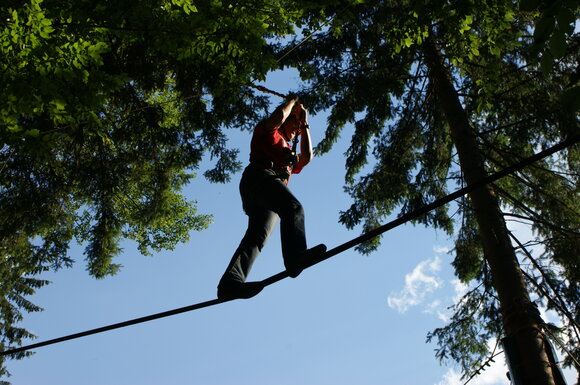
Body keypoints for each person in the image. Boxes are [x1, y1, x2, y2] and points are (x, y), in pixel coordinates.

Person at [217, 96, 327, 300]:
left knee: (257, 237)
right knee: (293, 208)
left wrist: (305, 123)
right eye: (295, 123)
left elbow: (307, 157)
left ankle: (230, 283)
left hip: (265, 195)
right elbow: (278, 116)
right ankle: (295, 258)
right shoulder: (268, 131)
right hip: (258, 177)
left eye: (300, 127)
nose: (298, 129)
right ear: (285, 121)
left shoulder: (290, 151)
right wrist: (293, 101)